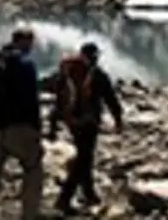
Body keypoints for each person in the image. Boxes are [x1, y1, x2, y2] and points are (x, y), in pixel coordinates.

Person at [0, 26, 47, 220]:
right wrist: (37, 129)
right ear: (26, 42)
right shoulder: (25, 65)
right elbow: (30, 100)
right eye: (31, 42)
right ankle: (29, 215)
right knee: (33, 170)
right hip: (20, 127)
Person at [47, 42, 124, 215]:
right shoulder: (97, 75)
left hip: (72, 122)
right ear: (95, 56)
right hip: (89, 122)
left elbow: (58, 100)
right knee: (83, 159)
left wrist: (53, 125)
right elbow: (110, 98)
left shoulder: (66, 73)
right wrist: (118, 119)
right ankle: (64, 199)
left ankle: (89, 193)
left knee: (85, 156)